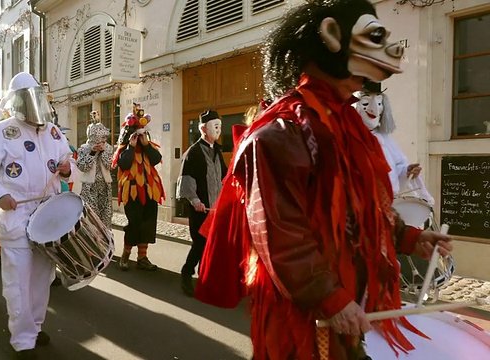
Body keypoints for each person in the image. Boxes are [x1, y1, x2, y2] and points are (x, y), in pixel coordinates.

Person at [193, 1, 453, 359]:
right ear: (332, 38)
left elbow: (363, 207)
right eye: (371, 35)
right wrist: (328, 298)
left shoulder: (349, 125)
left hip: (351, 308)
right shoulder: (278, 132)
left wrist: (410, 236)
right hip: (307, 319)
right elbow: (279, 232)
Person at [0, 72, 75, 359]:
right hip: (16, 217)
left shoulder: (52, 131)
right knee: (18, 282)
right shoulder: (1, 132)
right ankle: (22, 339)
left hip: (48, 217)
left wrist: (68, 169)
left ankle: (35, 326)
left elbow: (69, 161)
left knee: (42, 277)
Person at [176, 110, 227, 297]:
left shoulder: (217, 150)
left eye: (220, 126)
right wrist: (195, 200)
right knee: (200, 243)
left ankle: (205, 277)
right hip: (200, 208)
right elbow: (187, 179)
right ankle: (186, 273)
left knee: (211, 245)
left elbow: (224, 175)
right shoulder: (194, 151)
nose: (218, 130)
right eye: (215, 126)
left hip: (214, 208)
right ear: (204, 129)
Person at [356, 82, 433, 203]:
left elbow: (396, 169)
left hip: (387, 203)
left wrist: (407, 172)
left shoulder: (385, 139)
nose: (374, 109)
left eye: (379, 103)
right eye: (365, 103)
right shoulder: (349, 137)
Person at [112, 104, 165, 271]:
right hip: (132, 192)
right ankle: (126, 254)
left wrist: (146, 144)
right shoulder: (123, 149)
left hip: (150, 190)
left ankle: (142, 257)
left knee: (148, 223)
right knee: (134, 223)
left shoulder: (149, 146)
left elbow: (156, 159)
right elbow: (124, 163)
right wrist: (131, 146)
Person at [76, 118, 114, 228]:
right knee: (91, 218)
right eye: (102, 138)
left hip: (105, 187)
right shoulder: (84, 149)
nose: (103, 141)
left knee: (105, 218)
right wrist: (92, 153)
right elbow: (82, 167)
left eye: (105, 138)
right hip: (89, 188)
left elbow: (110, 165)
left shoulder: (108, 149)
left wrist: (103, 153)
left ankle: (106, 242)